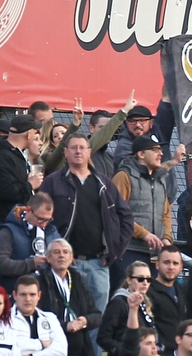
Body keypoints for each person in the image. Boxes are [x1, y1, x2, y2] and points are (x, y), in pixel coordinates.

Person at [40, 133, 134, 340]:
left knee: (95, 322)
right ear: (65, 152)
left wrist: (116, 250)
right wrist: (55, 251)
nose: (78, 151)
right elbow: (41, 220)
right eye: (73, 148)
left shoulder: (104, 184)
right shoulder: (53, 182)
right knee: (61, 320)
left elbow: (125, 217)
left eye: (82, 147)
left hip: (98, 264)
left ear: (89, 152)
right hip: (64, 266)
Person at [112, 133, 174, 271]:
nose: (160, 153)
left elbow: (166, 214)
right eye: (154, 150)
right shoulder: (123, 176)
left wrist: (167, 238)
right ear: (141, 154)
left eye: (160, 150)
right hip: (127, 250)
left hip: (155, 254)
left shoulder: (161, 180)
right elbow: (115, 213)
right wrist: (144, 234)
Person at [0, 114, 43, 242]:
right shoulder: (2, 156)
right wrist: (30, 185)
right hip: (0, 223)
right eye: (34, 131)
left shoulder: (15, 154)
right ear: (27, 134)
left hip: (12, 222)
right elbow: (5, 190)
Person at [0, 193, 61, 293]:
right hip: (13, 293)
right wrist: (31, 263)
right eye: (40, 219)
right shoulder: (8, 231)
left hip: (43, 295)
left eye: (48, 220)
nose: (44, 224)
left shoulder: (51, 232)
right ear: (28, 210)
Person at [98, 261, 157, 356]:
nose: (145, 283)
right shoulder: (119, 302)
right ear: (129, 280)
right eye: (140, 279)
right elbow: (103, 337)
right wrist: (126, 349)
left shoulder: (146, 303)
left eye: (148, 279)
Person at [150, 245, 188, 356]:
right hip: (158, 355)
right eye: (166, 262)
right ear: (157, 265)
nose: (171, 267)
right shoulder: (148, 291)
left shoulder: (182, 291)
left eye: (175, 263)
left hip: (179, 354)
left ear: (181, 267)